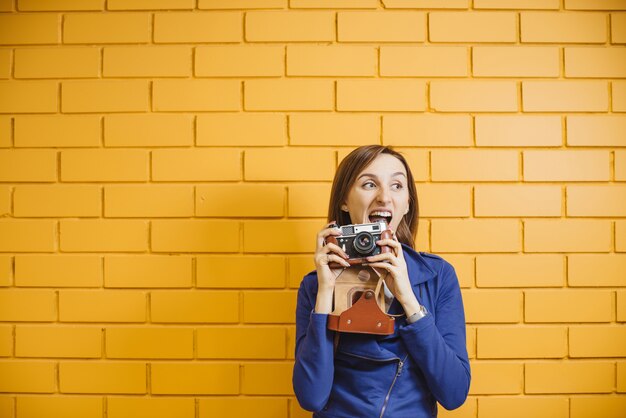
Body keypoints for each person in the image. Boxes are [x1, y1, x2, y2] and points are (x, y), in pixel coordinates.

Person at [292, 145, 471, 417]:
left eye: (397, 185)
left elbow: (454, 393)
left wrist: (407, 297)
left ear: (408, 202)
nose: (384, 197)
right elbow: (311, 397)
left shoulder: (438, 276)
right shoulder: (314, 285)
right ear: (344, 200)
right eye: (368, 184)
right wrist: (325, 291)